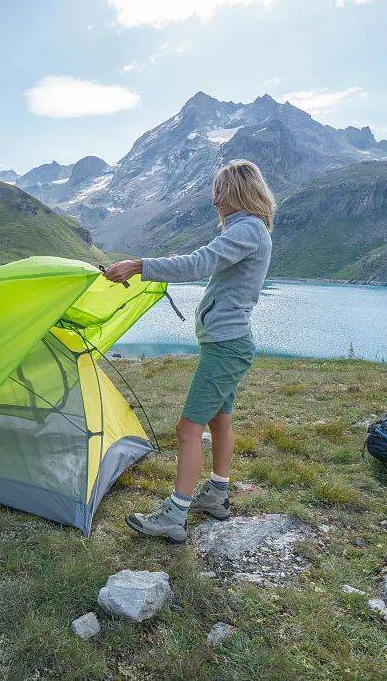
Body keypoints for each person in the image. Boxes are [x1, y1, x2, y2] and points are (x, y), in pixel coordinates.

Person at [102, 159, 274, 543]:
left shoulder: (248, 230)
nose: (215, 200)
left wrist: (139, 266)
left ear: (238, 191)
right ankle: (217, 494)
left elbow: (200, 262)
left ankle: (174, 515)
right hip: (229, 344)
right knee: (219, 423)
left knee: (187, 429)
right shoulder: (252, 230)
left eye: (220, 191)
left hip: (226, 348)